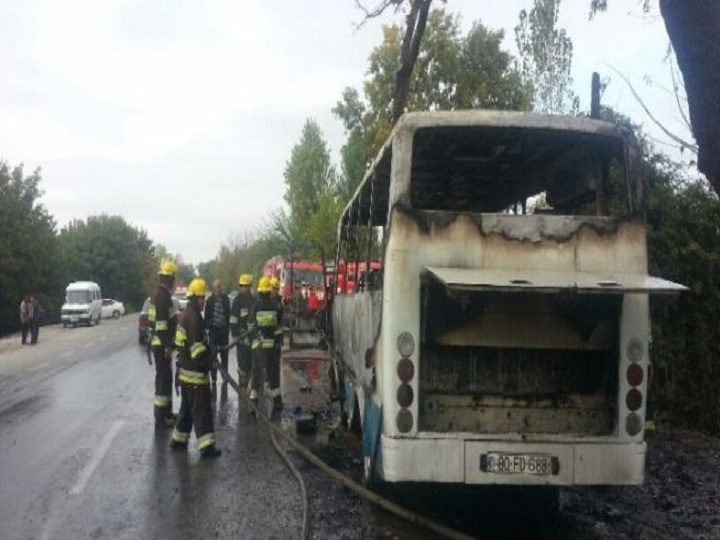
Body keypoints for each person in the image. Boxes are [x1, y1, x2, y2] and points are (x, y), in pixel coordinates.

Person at [171, 278, 221, 458]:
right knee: (201, 411)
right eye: (202, 298)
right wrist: (210, 360)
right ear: (195, 298)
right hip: (195, 376)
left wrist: (209, 351)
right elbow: (196, 351)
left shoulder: (186, 314)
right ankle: (207, 447)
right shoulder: (194, 319)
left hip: (185, 375)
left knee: (186, 410)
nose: (204, 302)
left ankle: (178, 440)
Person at [149, 260, 179, 428]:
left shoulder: (161, 294)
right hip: (162, 346)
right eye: (173, 277)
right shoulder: (162, 296)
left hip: (161, 344)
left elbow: (169, 318)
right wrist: (167, 345)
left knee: (166, 379)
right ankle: (161, 417)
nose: (175, 281)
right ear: (169, 278)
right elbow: (161, 325)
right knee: (162, 380)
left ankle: (167, 412)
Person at [249, 276, 282, 410]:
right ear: (269, 291)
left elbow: (250, 324)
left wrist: (253, 340)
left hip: (259, 346)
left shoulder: (256, 305)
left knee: (256, 374)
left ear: (260, 291)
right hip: (272, 348)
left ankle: (253, 403)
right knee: (273, 374)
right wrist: (277, 342)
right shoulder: (275, 305)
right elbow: (279, 328)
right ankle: (277, 402)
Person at [204, 279, 231, 388]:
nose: (218, 289)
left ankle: (224, 376)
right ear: (213, 288)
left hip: (223, 331)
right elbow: (206, 317)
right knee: (213, 355)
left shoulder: (225, 299)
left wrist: (228, 326)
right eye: (216, 287)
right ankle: (214, 377)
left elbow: (229, 313)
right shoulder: (209, 301)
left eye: (220, 287)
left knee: (225, 355)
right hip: (214, 331)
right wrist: (207, 328)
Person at [230, 273, 254, 384]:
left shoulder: (253, 299)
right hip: (241, 336)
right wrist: (234, 335)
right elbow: (233, 319)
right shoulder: (237, 300)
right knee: (242, 361)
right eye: (244, 286)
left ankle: (248, 380)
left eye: (247, 286)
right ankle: (242, 383)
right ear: (241, 287)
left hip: (251, 335)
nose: (246, 288)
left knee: (250, 361)